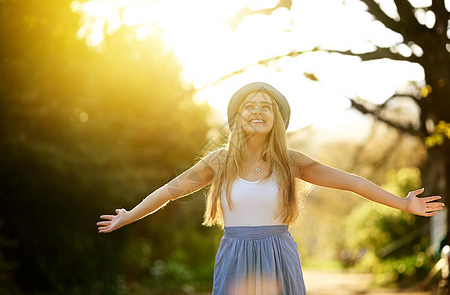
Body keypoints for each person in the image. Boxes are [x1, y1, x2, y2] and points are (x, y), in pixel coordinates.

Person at [97, 82, 444, 294]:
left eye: (266, 107)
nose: (258, 111)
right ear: (237, 117)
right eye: (250, 106)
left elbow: (351, 182)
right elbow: (171, 190)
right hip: (235, 254)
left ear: (277, 118)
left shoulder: (291, 162)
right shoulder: (219, 162)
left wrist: (403, 203)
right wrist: (130, 215)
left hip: (278, 253)